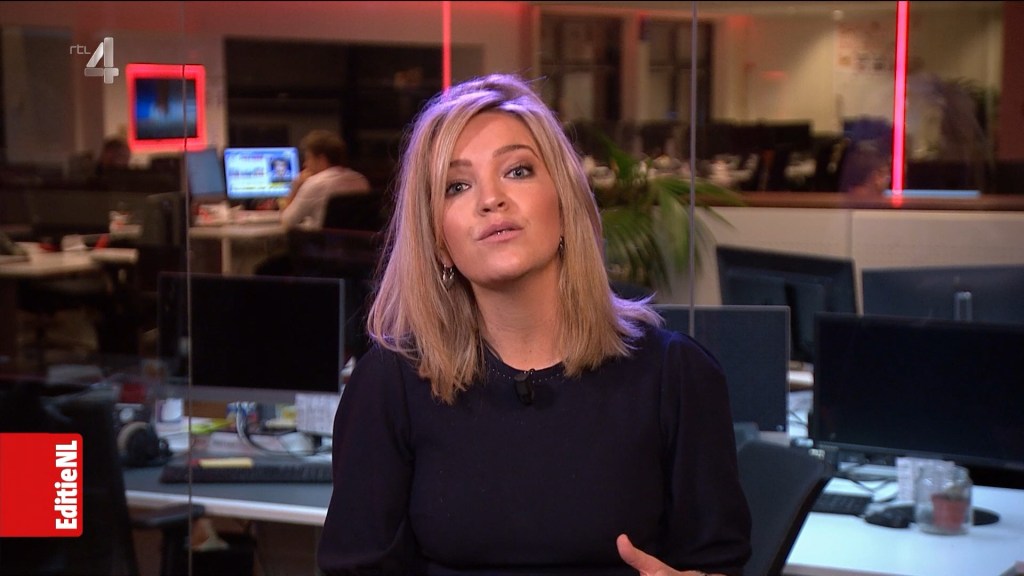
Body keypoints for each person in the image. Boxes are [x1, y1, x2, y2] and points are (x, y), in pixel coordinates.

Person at [317, 73, 751, 575]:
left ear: (565, 204)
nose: (491, 199)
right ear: (439, 241)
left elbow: (718, 563)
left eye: (517, 171)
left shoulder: (676, 375)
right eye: (457, 186)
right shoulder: (388, 386)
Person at [279, 130, 370, 228]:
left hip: (318, 238)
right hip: (353, 238)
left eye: (308, 158)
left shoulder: (314, 183)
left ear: (321, 159)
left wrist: (296, 186)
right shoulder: (361, 180)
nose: (305, 164)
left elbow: (287, 222)